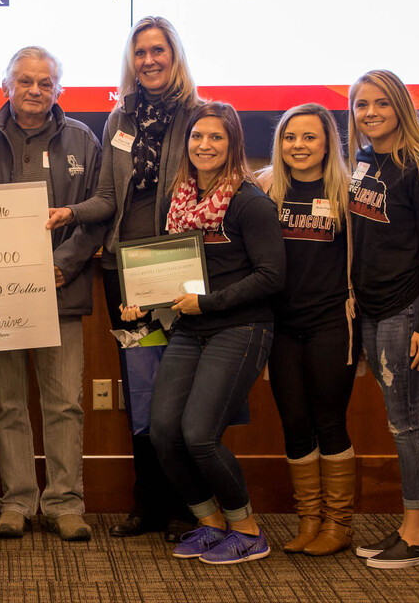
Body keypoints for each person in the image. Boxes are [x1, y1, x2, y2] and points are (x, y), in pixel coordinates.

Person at [47, 16, 197, 540]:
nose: (149, 60)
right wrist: (70, 213)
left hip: (178, 273)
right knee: (141, 388)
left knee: (179, 390)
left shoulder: (199, 116)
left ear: (174, 56)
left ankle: (187, 507)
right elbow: (109, 199)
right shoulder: (119, 120)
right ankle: (148, 504)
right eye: (140, 53)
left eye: (158, 50)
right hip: (123, 274)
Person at [136, 101, 285, 565]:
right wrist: (143, 297)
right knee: (161, 431)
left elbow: (271, 276)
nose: (205, 145)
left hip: (240, 328)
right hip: (188, 329)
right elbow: (169, 270)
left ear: (233, 143)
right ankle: (209, 522)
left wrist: (208, 303)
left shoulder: (249, 201)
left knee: (199, 434)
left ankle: (247, 528)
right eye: (198, 136)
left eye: (216, 137)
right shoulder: (176, 199)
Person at [0, 47, 102, 541]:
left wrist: (62, 266)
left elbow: (97, 213)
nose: (35, 90)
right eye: (25, 81)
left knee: (63, 402)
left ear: (58, 90)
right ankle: (17, 502)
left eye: (45, 83)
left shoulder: (82, 139)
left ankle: (65, 503)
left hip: (60, 290)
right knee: (8, 402)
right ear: (6, 85)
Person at [346, 70, 419, 569]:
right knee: (400, 419)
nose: (370, 113)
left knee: (407, 421)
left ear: (401, 108)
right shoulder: (365, 163)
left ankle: (417, 536)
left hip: (406, 310)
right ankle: (409, 527)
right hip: (370, 308)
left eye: (381, 104)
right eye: (362, 104)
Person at [258, 103, 357, 555]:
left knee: (329, 422)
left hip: (331, 325)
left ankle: (338, 526)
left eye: (309, 137)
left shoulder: (346, 192)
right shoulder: (264, 188)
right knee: (295, 424)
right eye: (289, 137)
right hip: (281, 328)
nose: (298, 146)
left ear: (327, 142)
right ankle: (308, 521)